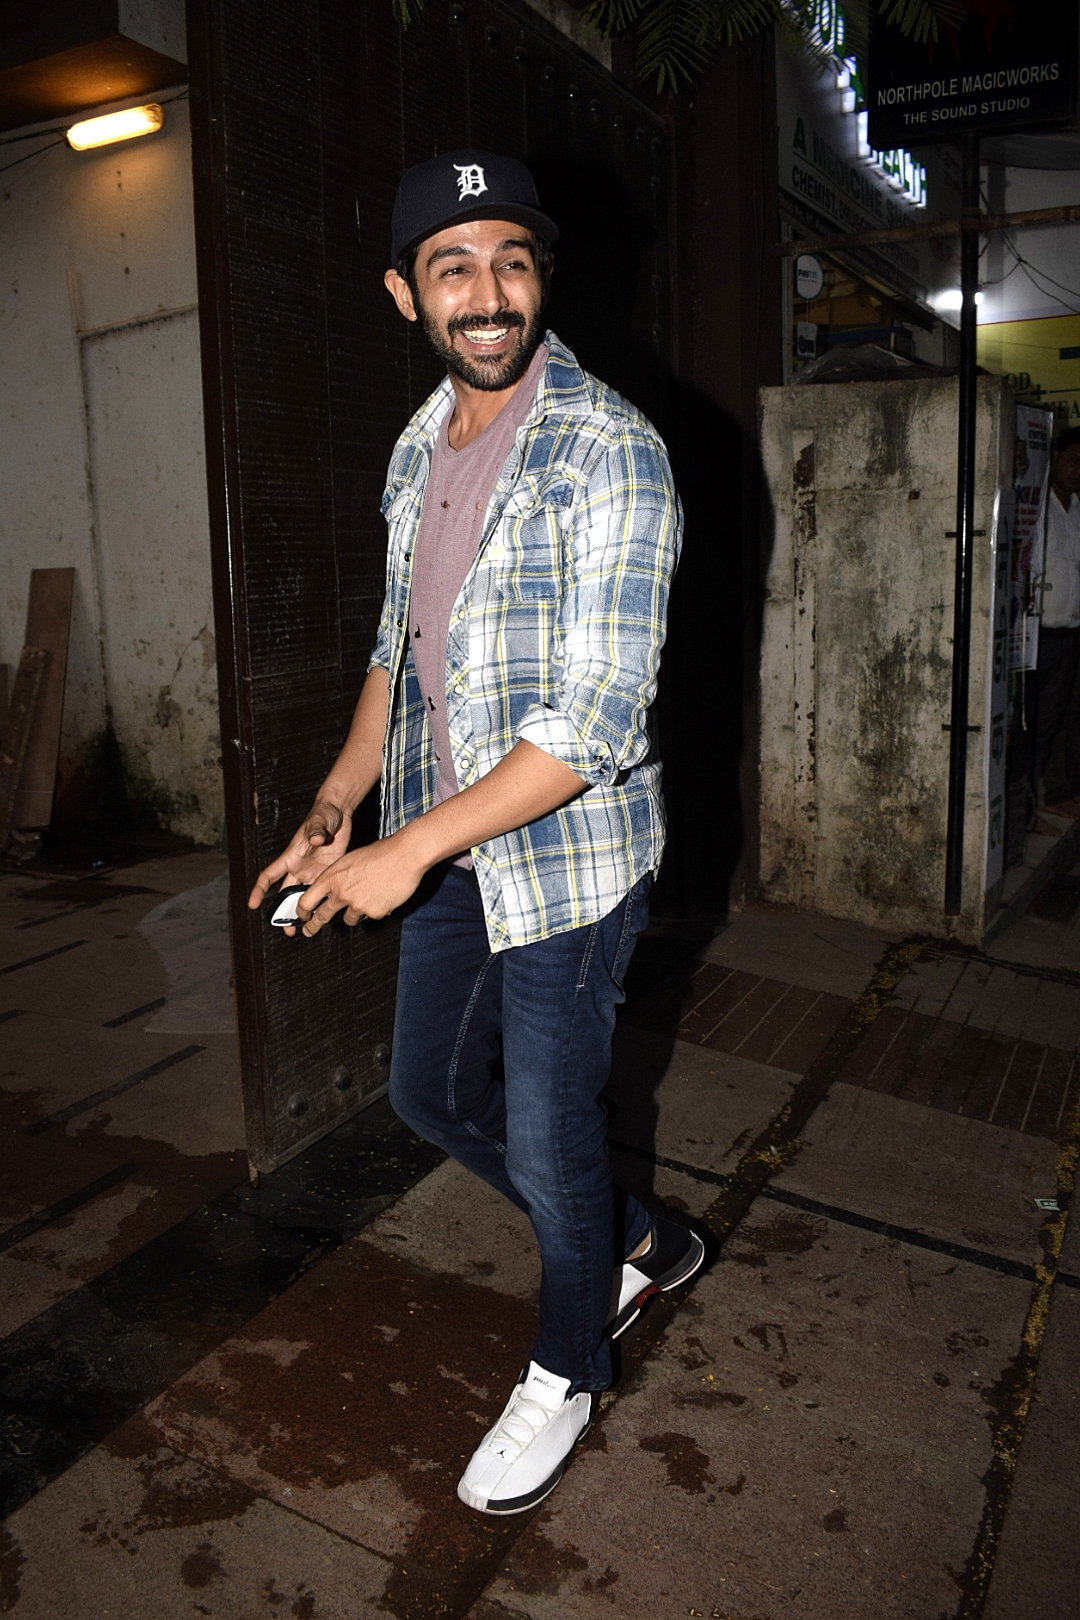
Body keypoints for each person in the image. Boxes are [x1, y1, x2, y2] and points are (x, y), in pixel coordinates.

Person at [248, 149, 702, 1516]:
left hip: (565, 859)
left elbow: (597, 721)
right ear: (406, 293)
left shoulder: (609, 446)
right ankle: (634, 1244)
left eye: (511, 260)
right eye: (454, 266)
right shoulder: (416, 443)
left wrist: (401, 851)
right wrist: (341, 801)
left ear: (539, 278)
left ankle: (571, 1361)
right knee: (427, 1094)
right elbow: (403, 646)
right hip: (447, 838)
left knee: (554, 1131)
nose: (488, 292)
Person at [1032, 426, 1080, 819]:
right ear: (1054, 458)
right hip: (1036, 635)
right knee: (1030, 726)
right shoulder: (1036, 508)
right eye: (1073, 460)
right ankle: (1029, 806)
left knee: (1059, 721)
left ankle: (1051, 796)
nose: (1078, 470)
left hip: (1071, 634)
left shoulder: (1079, 509)